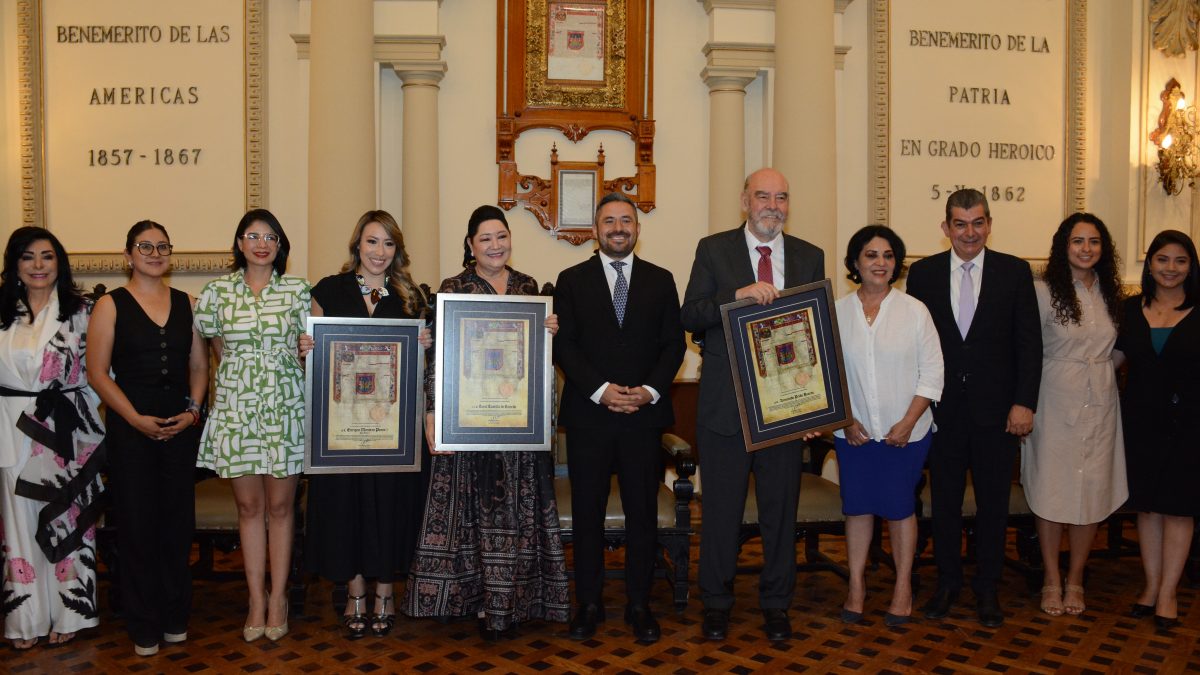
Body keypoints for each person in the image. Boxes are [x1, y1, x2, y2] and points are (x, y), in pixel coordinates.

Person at [403, 205, 569, 640]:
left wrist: (547, 331)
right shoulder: (453, 290)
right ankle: (471, 601)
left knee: (515, 513)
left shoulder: (527, 287)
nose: (495, 245)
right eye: (485, 239)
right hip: (468, 422)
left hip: (516, 424)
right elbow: (437, 358)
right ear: (471, 245)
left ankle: (511, 602)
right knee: (470, 514)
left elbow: (535, 362)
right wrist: (432, 414)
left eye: (501, 236)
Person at [681, 168, 824, 642]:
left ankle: (776, 603)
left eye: (782, 197)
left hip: (785, 407)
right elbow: (691, 314)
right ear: (745, 200)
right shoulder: (713, 249)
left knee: (780, 512)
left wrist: (814, 409)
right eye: (763, 196)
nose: (773, 206)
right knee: (720, 511)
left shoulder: (809, 255)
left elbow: (815, 336)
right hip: (726, 406)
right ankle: (717, 603)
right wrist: (736, 295)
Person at [905, 188, 1042, 628]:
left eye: (978, 222)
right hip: (941, 412)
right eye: (960, 224)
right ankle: (947, 584)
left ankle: (988, 589)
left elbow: (1029, 345)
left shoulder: (1014, 272)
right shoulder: (922, 274)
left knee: (993, 506)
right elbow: (915, 347)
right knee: (943, 503)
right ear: (946, 227)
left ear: (989, 224)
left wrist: (1024, 403)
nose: (970, 232)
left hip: (998, 412)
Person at [553, 192, 686, 643]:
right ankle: (588, 604)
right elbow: (564, 345)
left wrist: (646, 392)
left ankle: (639, 604)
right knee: (587, 516)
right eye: (608, 221)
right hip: (590, 417)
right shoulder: (570, 280)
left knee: (642, 515)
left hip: (642, 420)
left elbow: (674, 345)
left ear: (637, 229)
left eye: (625, 220)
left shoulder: (661, 279)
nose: (618, 228)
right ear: (595, 230)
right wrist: (602, 391)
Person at [298, 211, 431, 639]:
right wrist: (308, 348)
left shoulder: (411, 297)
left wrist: (426, 346)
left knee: (390, 509)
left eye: (388, 244)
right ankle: (355, 592)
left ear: (398, 250)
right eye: (372, 242)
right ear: (357, 245)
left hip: (394, 431)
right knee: (347, 508)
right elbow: (314, 363)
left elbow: (423, 372)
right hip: (342, 430)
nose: (379, 252)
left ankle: (386, 594)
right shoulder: (328, 290)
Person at [87, 221, 208, 656]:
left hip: (179, 429)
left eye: (162, 246)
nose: (154, 253)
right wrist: (135, 418)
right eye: (145, 246)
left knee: (177, 526)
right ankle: (143, 623)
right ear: (128, 255)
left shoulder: (187, 304)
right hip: (129, 429)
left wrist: (193, 411)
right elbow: (97, 373)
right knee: (138, 527)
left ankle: (176, 616)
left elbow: (198, 366)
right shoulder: (110, 305)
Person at [194, 209, 310, 643]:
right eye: (253, 235)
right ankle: (254, 599)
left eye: (271, 237)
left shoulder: (299, 291)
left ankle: (278, 598)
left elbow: (314, 349)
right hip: (237, 412)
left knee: (281, 509)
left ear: (280, 246)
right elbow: (217, 350)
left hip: (285, 410)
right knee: (249, 509)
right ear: (239, 243)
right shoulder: (217, 292)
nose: (262, 243)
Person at [831, 225, 942, 627]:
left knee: (899, 508)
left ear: (896, 263)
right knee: (857, 508)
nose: (880, 263)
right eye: (871, 255)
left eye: (888, 256)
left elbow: (932, 375)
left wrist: (908, 422)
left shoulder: (915, 311)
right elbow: (827, 375)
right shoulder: (836, 311)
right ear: (855, 263)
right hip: (854, 432)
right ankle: (856, 587)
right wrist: (845, 419)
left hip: (905, 434)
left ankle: (902, 588)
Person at [0, 227, 106, 649]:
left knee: (68, 520)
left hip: (65, 429)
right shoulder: (2, 312)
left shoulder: (84, 312)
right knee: (17, 523)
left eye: (47, 256)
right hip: (9, 426)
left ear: (59, 261)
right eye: (28, 257)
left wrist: (78, 409)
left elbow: (103, 373)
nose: (39, 266)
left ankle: (71, 614)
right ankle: (24, 620)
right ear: (15, 265)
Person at [1021, 214, 1127, 617]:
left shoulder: (1112, 293)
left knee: (1092, 491)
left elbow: (1119, 350)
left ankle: (1077, 578)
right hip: (1052, 400)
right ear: (1063, 245)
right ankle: (1051, 578)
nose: (1086, 248)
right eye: (1078, 241)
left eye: (1094, 241)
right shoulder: (1042, 291)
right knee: (1052, 490)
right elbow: (1028, 351)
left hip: (1101, 401)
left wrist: (1100, 376)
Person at [1112, 229, 1200, 631]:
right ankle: (1149, 586)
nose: (1171, 268)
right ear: (1149, 264)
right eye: (1163, 260)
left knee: (1179, 510)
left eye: (1180, 261)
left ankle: (1168, 593)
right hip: (1140, 423)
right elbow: (1109, 362)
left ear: (1191, 267)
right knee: (1147, 508)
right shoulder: (1130, 310)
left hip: (1189, 426)